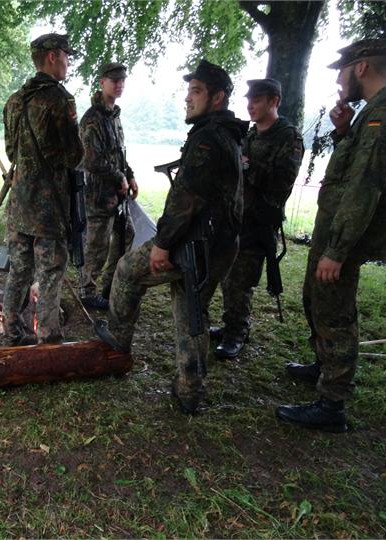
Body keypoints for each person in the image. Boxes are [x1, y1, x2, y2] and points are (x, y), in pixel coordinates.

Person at [95, 59, 248, 414]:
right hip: (220, 244)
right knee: (191, 311)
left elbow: (186, 199)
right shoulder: (228, 133)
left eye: (196, 91)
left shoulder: (208, 138)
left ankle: (118, 338)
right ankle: (190, 390)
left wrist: (163, 245)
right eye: (189, 91)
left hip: (193, 242)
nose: (187, 98)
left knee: (127, 270)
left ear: (217, 98)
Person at [276, 39, 386, 432]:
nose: (339, 81)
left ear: (361, 68)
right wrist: (344, 131)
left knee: (335, 311)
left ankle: (332, 404)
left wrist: (338, 248)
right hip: (334, 229)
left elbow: (366, 184)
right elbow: (353, 168)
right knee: (315, 298)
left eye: (341, 72)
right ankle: (324, 364)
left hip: (344, 236)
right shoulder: (372, 111)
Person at [211, 79, 304, 359]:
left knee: (241, 279)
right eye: (249, 100)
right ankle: (230, 324)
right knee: (228, 276)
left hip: (259, 219)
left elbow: (282, 184)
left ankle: (237, 332)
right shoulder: (250, 134)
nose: (250, 105)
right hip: (236, 215)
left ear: (274, 101)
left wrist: (248, 167)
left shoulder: (288, 137)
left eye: (257, 100)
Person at [1, 33, 84, 345]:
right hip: (49, 208)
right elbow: (74, 155)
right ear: (52, 56)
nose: (68, 62)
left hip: (19, 204)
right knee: (49, 273)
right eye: (66, 55)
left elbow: (11, 152)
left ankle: (11, 332)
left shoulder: (14, 100)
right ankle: (48, 340)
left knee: (19, 271)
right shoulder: (60, 100)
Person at [79, 62, 138, 311]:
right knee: (97, 246)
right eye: (114, 81)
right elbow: (91, 160)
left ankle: (109, 286)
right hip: (99, 195)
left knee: (127, 235)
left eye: (122, 80)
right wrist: (119, 177)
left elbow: (118, 153)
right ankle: (87, 292)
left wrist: (130, 175)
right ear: (102, 82)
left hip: (116, 193)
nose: (119, 85)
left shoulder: (114, 116)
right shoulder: (93, 119)